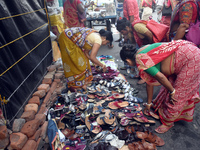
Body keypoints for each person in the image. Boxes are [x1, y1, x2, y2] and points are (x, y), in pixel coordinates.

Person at [120, 40, 200, 133]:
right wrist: (149, 103)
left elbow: (161, 77)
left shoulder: (140, 59)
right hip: (186, 49)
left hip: (191, 59)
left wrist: (172, 91)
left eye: (127, 63)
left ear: (127, 60)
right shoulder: (141, 50)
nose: (129, 65)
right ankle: (159, 107)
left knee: (177, 95)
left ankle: (168, 122)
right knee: (168, 85)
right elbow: (149, 82)